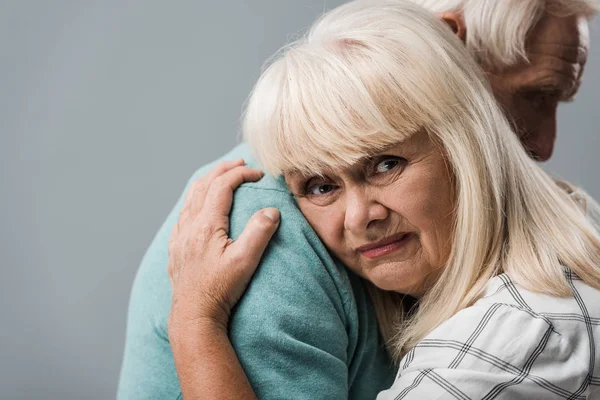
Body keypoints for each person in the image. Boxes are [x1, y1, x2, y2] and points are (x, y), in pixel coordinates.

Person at [117, 0, 598, 398]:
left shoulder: (502, 346)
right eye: (320, 186)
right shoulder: (258, 232)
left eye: (387, 164)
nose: (359, 217)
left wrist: (194, 323)